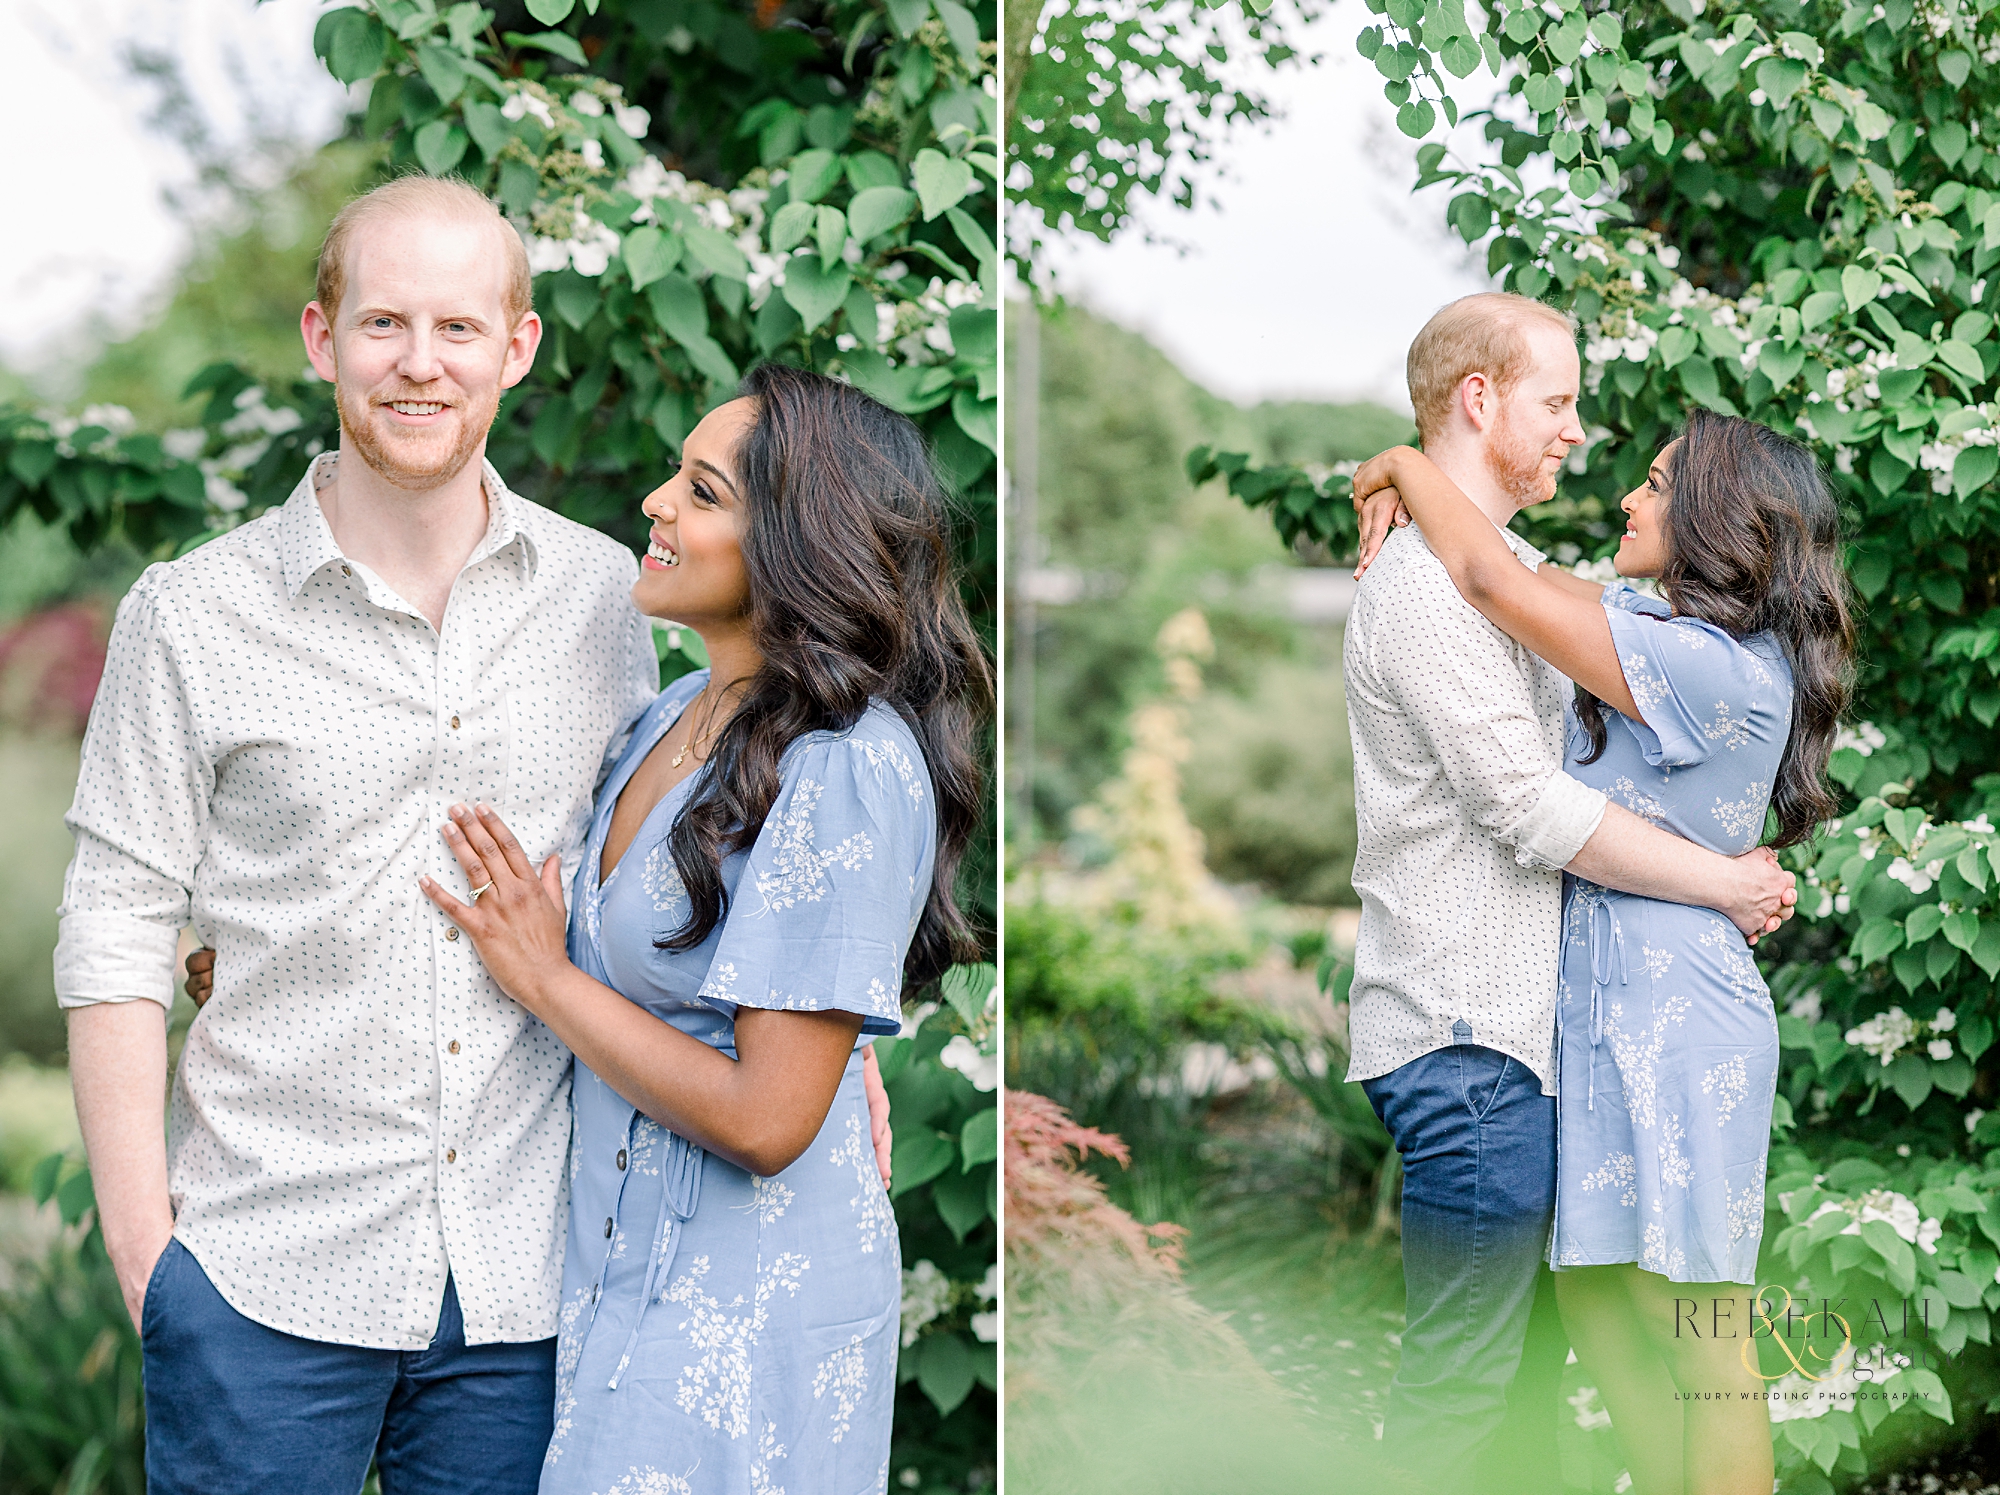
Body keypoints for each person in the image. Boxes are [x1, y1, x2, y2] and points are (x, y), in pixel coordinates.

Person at [60, 175, 884, 1495]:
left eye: (458, 327)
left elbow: (692, 846)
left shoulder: (610, 599)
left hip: (531, 1284)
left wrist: (835, 1050)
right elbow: (114, 920)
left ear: (518, 347)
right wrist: (146, 1251)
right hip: (262, 1274)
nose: (420, 363)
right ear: (323, 339)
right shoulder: (191, 614)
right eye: (384, 323)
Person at [397, 361, 990, 1493]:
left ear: (799, 543)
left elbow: (771, 1117)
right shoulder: (670, 715)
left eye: (703, 491)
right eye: (676, 476)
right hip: (612, 1276)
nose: (656, 505)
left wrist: (543, 979)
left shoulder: (848, 764)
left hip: (746, 1306)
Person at [1335, 292, 1804, 1494]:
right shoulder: (1457, 592)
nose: (1597, 458)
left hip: (1634, 1022)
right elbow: (1526, 773)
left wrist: (1399, 460)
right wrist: (1726, 881)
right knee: (1554, 1338)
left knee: (1686, 1336)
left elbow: (1505, 576)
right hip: (1498, 1036)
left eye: (1651, 480)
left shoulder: (1701, 659)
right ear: (1479, 399)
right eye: (1559, 403)